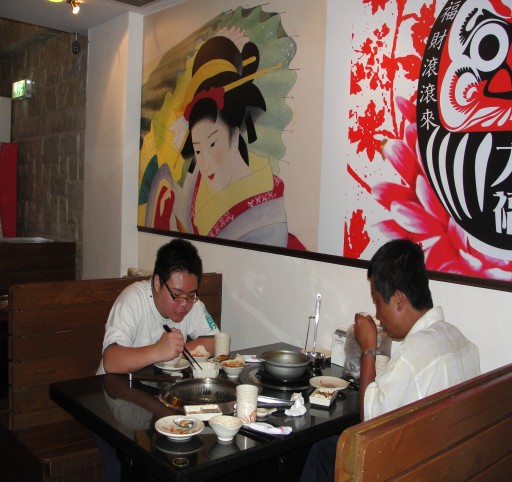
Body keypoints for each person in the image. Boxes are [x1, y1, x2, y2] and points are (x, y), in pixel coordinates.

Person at [299, 238, 480, 482]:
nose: (377, 314)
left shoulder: (413, 355)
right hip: (450, 462)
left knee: (323, 450)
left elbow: (370, 426)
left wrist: (368, 347)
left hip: (415, 470)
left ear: (398, 300)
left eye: (377, 301)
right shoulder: (459, 339)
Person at [97, 238, 219, 375]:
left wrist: (176, 353)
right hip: (113, 385)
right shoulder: (133, 300)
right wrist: (158, 351)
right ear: (157, 283)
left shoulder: (191, 301)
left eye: (191, 294)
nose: (184, 304)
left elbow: (215, 341)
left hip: (158, 384)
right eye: (176, 294)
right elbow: (111, 362)